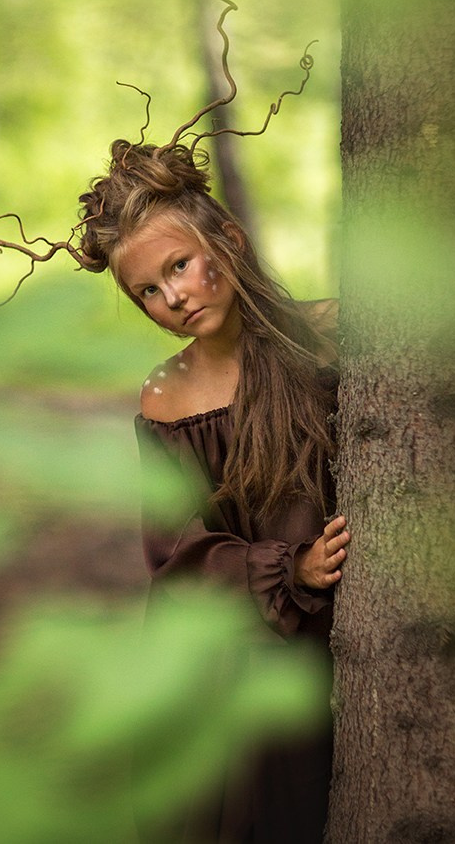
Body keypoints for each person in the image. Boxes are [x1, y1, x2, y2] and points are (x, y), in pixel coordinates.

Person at [78, 137, 350, 843]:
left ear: (226, 240)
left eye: (178, 265)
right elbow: (178, 556)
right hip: (243, 659)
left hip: (351, 649)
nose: (170, 296)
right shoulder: (168, 397)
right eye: (146, 289)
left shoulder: (331, 337)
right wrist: (286, 568)